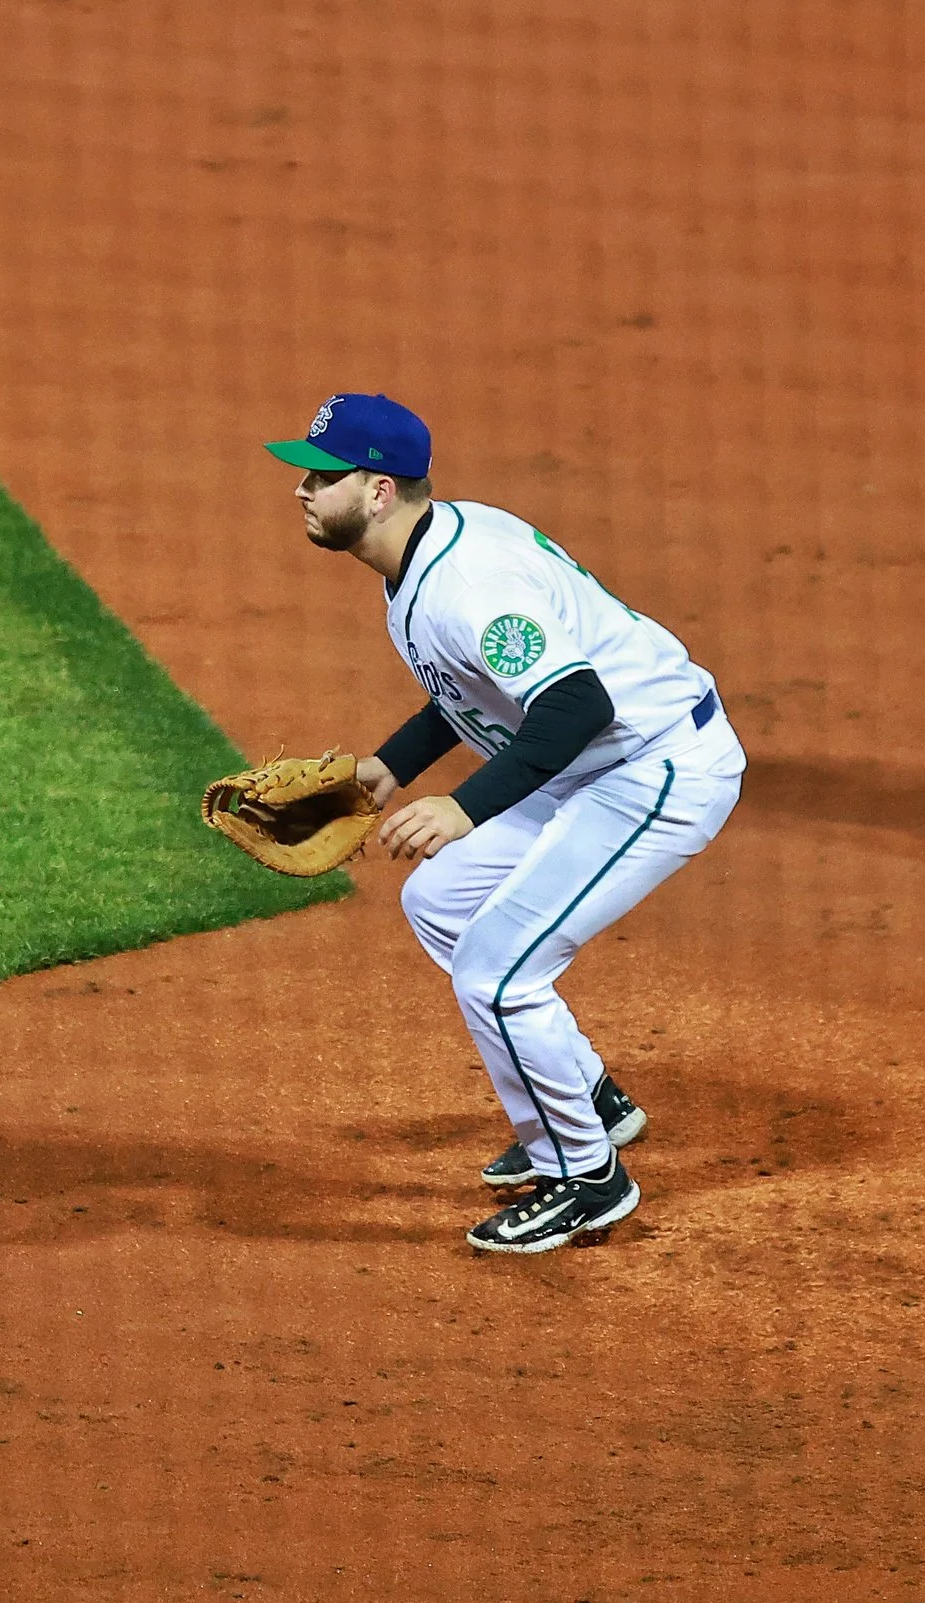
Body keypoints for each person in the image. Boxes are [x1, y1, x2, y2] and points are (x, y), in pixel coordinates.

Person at [264, 393, 747, 1251]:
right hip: (594, 766)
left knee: (496, 970)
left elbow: (575, 706)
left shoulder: (466, 586)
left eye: (323, 476)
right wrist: (389, 770)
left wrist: (463, 803)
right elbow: (472, 688)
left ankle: (586, 1180)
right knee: (440, 903)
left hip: (656, 768)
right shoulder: (424, 552)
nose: (303, 490)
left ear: (377, 491)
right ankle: (589, 1097)